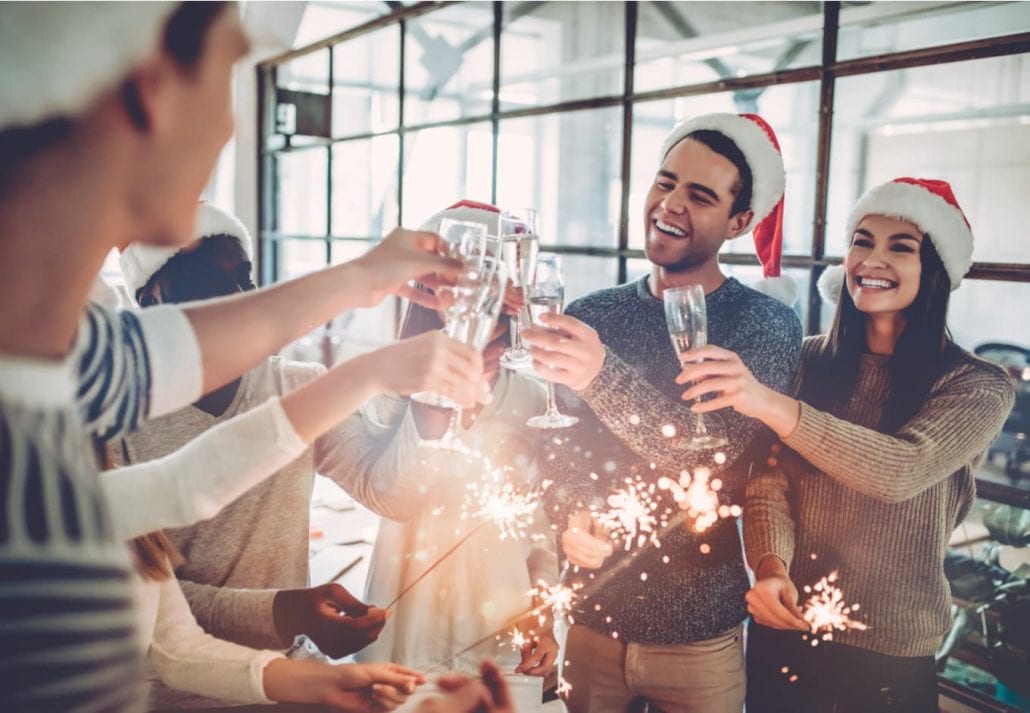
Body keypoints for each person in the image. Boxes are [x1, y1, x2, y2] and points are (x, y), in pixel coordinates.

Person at [0, 4, 474, 709]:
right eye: (229, 68)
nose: (229, 128)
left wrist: (373, 332)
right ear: (148, 90)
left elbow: (193, 476)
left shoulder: (69, 365)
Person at [112, 202, 489, 709]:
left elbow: (393, 493)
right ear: (151, 298)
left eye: (245, 280)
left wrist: (430, 395)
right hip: (168, 693)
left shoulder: (294, 384)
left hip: (292, 675)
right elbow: (154, 613)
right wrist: (285, 611)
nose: (242, 301)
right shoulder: (112, 423)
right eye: (212, 282)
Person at [674, 178, 1016, 712]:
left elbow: (900, 471)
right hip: (783, 628)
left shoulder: (978, 384)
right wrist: (770, 568)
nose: (872, 258)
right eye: (862, 240)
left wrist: (768, 403)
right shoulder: (808, 359)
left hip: (890, 650)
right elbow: (768, 482)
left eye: (900, 247)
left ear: (936, 273)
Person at [523, 113, 803, 713]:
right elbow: (560, 447)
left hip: (700, 640)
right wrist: (573, 513)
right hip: (595, 623)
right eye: (665, 182)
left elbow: (708, 453)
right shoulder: (596, 313)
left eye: (699, 196)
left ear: (740, 221)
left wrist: (601, 373)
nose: (670, 204)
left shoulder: (766, 325)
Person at [339, 201, 560, 712]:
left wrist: (544, 614)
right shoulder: (387, 391)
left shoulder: (530, 398)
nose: (485, 311)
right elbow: (394, 497)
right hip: (405, 638)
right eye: (465, 290)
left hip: (501, 640)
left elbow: (540, 526)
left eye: (493, 288)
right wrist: (437, 394)